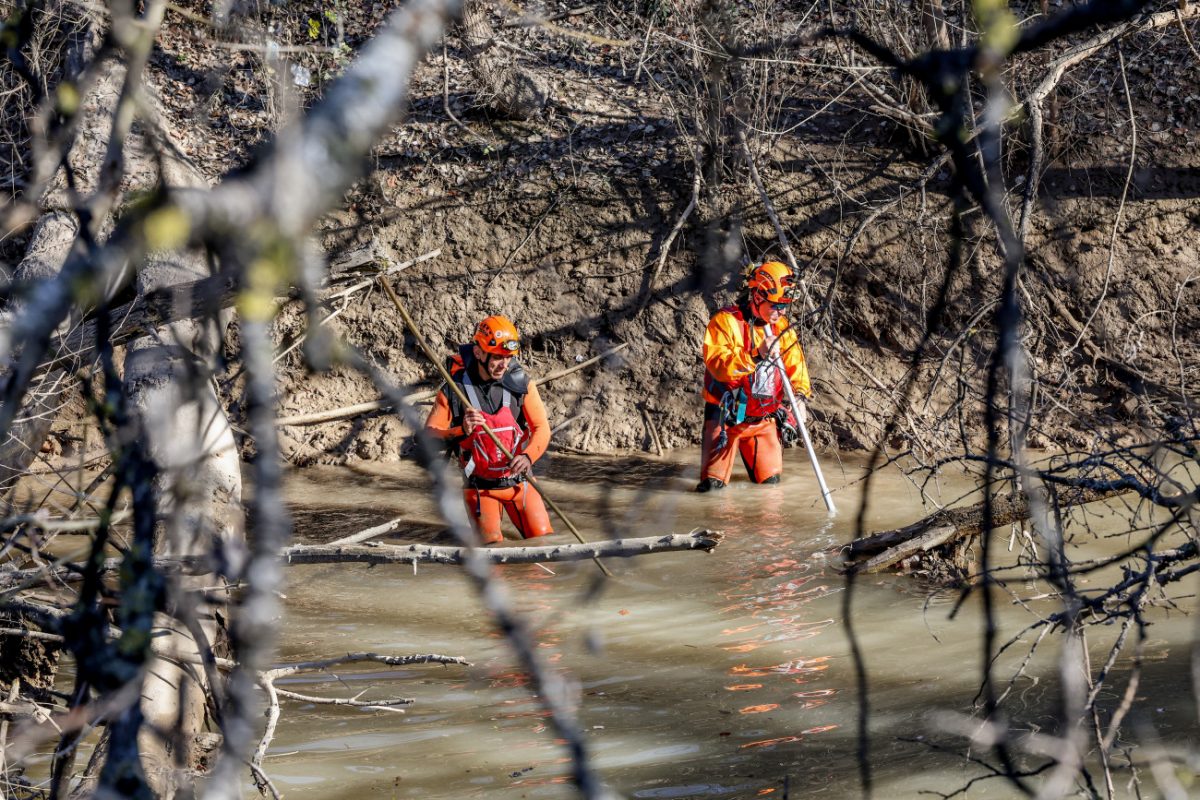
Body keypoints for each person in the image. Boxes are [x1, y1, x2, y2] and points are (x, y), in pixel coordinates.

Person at [425, 315, 554, 543]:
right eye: (496, 357)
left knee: (544, 544)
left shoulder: (522, 385)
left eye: (507, 358)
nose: (503, 365)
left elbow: (541, 427)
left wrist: (528, 456)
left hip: (520, 482)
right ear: (478, 352)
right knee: (493, 553)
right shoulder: (454, 390)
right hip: (479, 488)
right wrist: (462, 430)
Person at [696, 261, 812, 492]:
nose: (780, 312)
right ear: (757, 296)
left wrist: (801, 397)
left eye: (784, 306)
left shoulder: (782, 328)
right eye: (775, 305)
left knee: (770, 489)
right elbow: (719, 366)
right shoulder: (725, 322)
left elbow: (797, 366)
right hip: (726, 419)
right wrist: (757, 355)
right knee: (711, 489)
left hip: (763, 420)